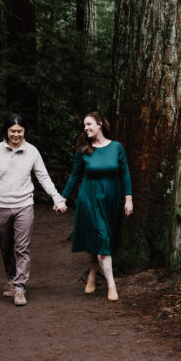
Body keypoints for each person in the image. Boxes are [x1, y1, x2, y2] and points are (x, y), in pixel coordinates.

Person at [0, 113, 67, 307]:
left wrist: (57, 198)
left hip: (24, 205)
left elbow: (43, 177)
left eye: (19, 131)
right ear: (6, 131)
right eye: (12, 131)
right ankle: (11, 279)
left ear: (24, 131)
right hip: (0, 205)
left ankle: (20, 288)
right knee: (5, 246)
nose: (16, 135)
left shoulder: (32, 151)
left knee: (22, 248)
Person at [57, 111, 133, 301]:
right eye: (84, 125)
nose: (86, 128)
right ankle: (111, 285)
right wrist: (63, 198)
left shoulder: (116, 148)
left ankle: (91, 276)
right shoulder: (84, 150)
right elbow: (75, 175)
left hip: (112, 199)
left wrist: (128, 198)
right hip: (90, 199)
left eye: (89, 124)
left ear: (100, 124)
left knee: (102, 240)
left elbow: (125, 174)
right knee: (102, 237)